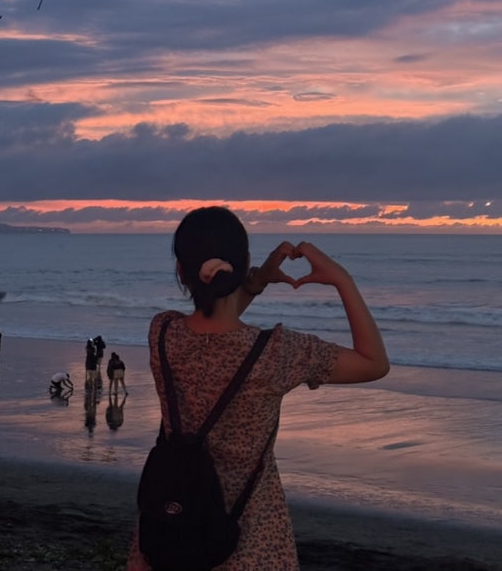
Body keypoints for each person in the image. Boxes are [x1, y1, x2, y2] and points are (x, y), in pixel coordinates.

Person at [126, 205, 389, 571]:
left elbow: (217, 320)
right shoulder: (277, 353)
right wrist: (342, 280)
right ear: (243, 263)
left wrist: (256, 281)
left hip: (169, 534)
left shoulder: (163, 333)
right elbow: (374, 363)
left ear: (181, 271)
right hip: (251, 545)